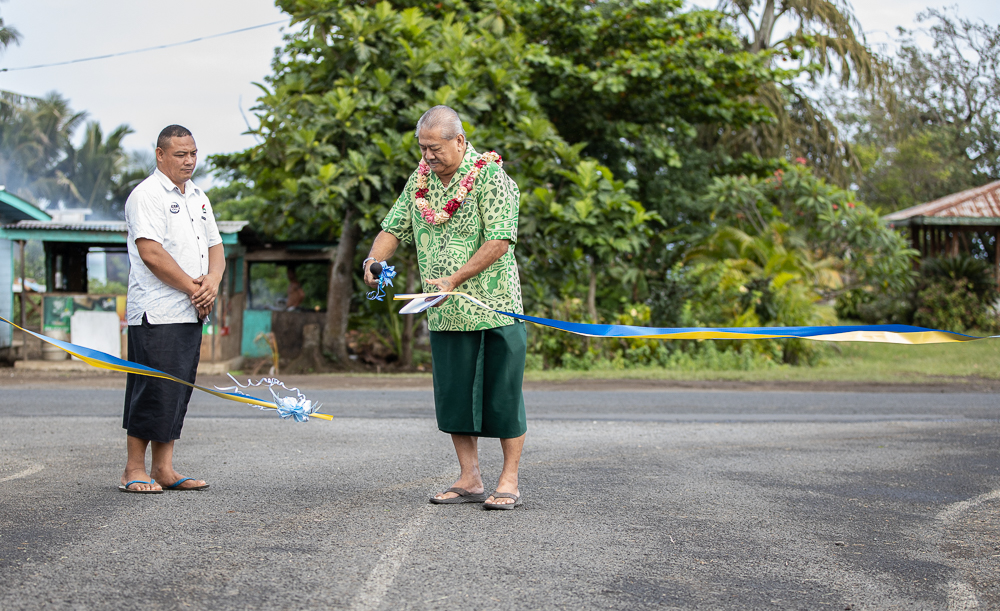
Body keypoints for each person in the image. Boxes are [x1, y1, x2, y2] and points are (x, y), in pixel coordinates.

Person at [364, 106, 527, 509]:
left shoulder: (491, 177)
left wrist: (454, 279)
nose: (427, 157)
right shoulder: (419, 180)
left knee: (502, 397)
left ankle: (509, 480)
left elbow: (500, 240)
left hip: (493, 308)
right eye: (422, 149)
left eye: (434, 148)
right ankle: (469, 477)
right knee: (455, 398)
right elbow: (393, 227)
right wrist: (372, 261)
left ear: (459, 141)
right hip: (444, 313)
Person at [119, 125, 224, 493]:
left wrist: (211, 282)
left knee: (178, 389)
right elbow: (151, 253)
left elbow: (216, 247)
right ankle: (134, 469)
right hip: (157, 312)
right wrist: (194, 287)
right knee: (151, 388)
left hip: (190, 310)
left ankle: (164, 469)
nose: (189, 160)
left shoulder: (198, 196)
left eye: (193, 153)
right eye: (180, 154)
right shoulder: (146, 195)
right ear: (160, 155)